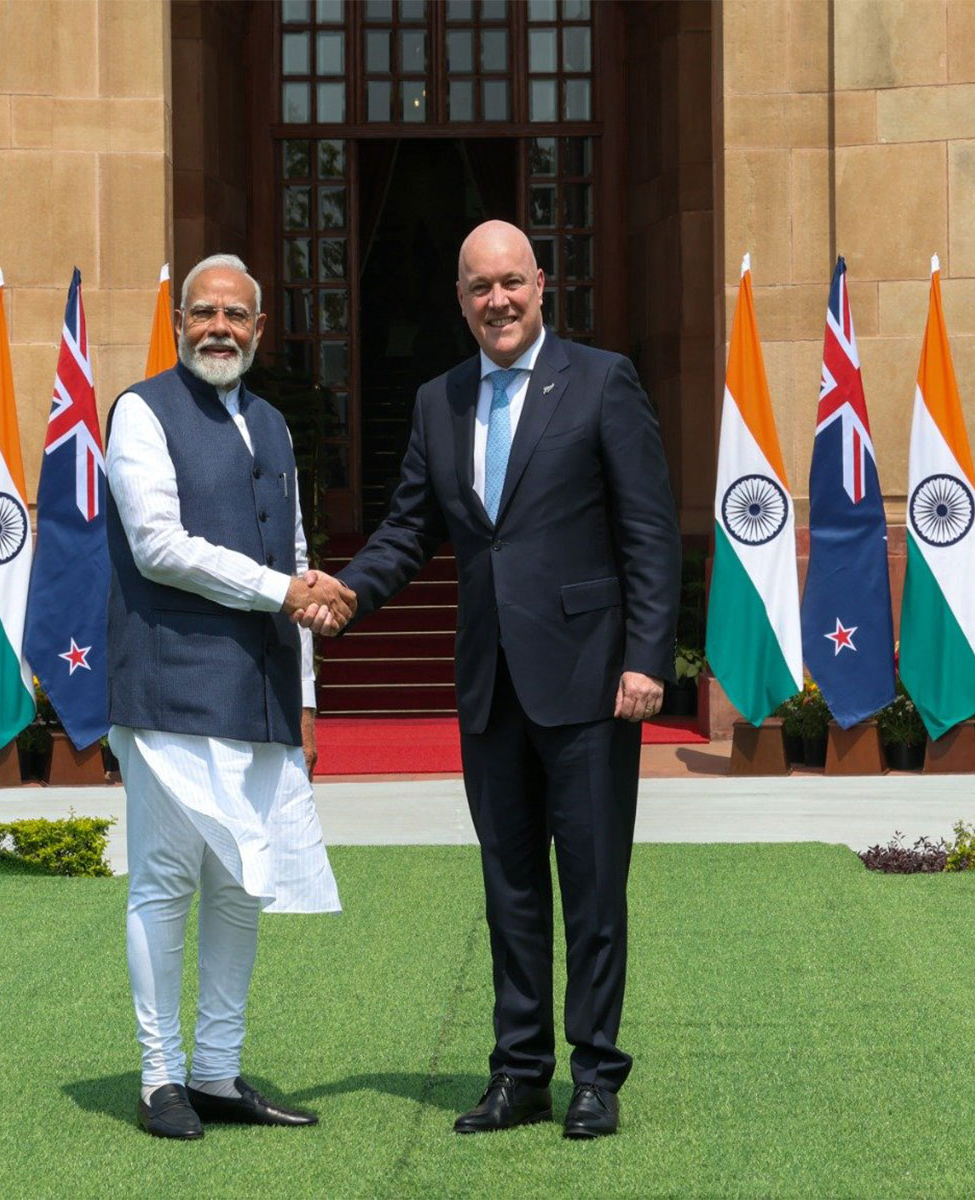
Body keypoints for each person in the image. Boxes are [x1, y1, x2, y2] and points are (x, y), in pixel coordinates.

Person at [307, 220, 680, 1139]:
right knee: (508, 889)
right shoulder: (440, 401)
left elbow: (649, 531)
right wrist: (348, 592)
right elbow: (407, 529)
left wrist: (646, 657)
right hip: (489, 685)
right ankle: (519, 1074)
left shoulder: (602, 380)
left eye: (512, 282)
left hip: (591, 681)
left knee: (593, 886)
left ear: (542, 285)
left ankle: (597, 1073)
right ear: (461, 301)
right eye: (480, 288)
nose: (498, 301)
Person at [104, 253, 354, 1140]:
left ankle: (215, 1072)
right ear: (178, 324)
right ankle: (158, 1077)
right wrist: (282, 591)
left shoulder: (277, 426)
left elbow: (291, 555)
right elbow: (158, 546)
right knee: (167, 880)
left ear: (257, 328)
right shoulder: (140, 411)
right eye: (204, 313)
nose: (220, 327)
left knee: (245, 883)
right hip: (170, 687)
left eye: (236, 315)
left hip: (261, 693)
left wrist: (309, 695)